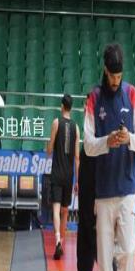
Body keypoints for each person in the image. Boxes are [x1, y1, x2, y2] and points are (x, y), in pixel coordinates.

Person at [84, 43, 135, 271]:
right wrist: (108, 141)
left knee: (129, 252)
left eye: (119, 77)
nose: (116, 82)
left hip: (128, 189)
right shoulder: (94, 98)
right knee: (105, 260)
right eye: (112, 76)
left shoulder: (131, 94)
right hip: (104, 192)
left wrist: (127, 138)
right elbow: (87, 145)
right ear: (105, 71)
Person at [47, 94, 80, 260]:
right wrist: (77, 180)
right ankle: (62, 242)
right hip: (68, 175)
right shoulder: (76, 127)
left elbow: (49, 150)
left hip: (56, 173)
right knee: (65, 211)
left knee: (56, 209)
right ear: (71, 108)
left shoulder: (56, 123)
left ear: (62, 106)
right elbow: (77, 157)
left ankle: (57, 240)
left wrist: (50, 145)